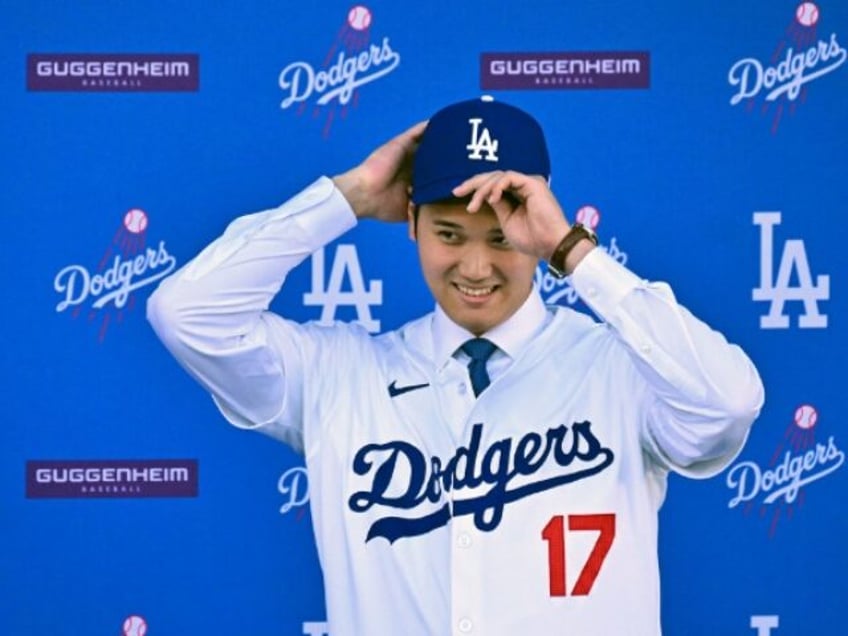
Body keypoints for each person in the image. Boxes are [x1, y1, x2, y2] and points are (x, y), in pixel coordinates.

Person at [147, 96, 764, 636]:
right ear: (410, 222)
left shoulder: (618, 368)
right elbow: (186, 314)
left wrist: (572, 251)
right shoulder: (339, 374)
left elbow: (729, 405)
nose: (474, 268)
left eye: (501, 238)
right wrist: (351, 195)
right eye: (449, 233)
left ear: (538, 226)